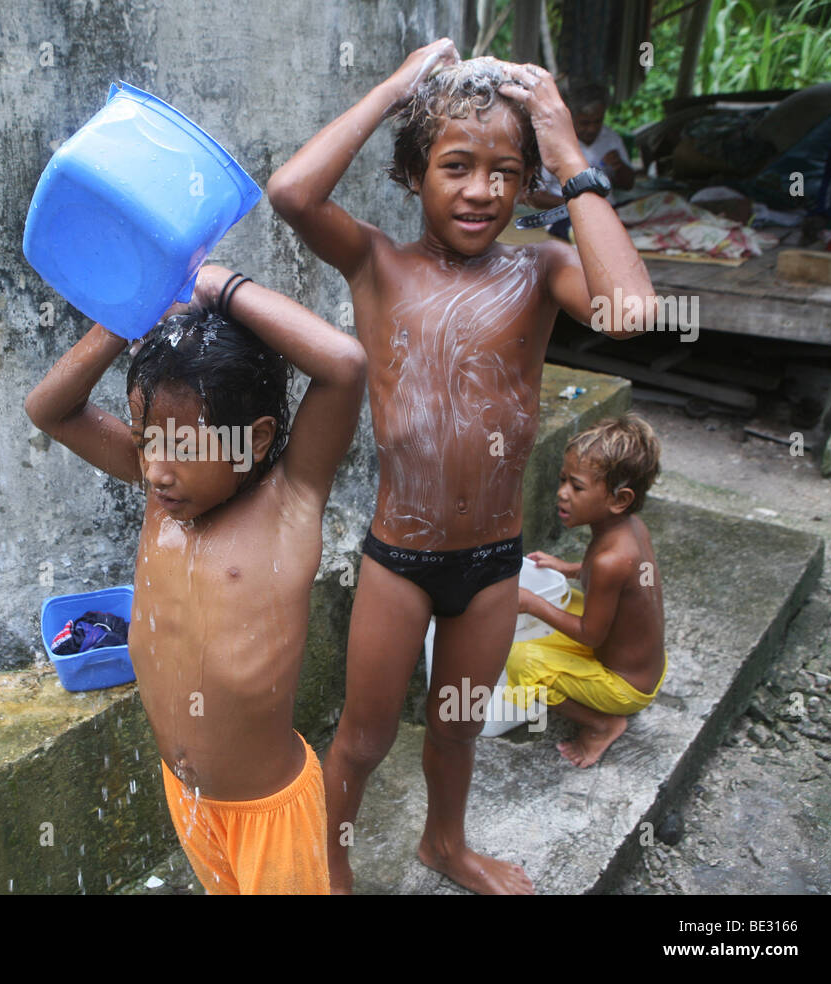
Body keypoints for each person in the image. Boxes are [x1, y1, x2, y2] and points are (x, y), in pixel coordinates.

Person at [267, 40, 658, 894]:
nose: (482, 190)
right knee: (364, 739)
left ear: (528, 180)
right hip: (399, 560)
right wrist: (398, 87)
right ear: (414, 172)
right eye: (455, 165)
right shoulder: (378, 263)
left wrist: (568, 151)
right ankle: (327, 867)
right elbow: (292, 192)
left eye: (506, 171)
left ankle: (444, 844)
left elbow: (630, 310)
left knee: (456, 727)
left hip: (489, 563)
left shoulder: (541, 268)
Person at [25, 264, 366, 894]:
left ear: (254, 441)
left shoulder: (289, 502)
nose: (155, 469)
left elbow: (344, 364)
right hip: (184, 791)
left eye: (182, 445)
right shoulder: (165, 491)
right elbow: (48, 408)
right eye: (143, 439)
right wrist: (129, 316)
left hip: (267, 811)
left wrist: (221, 286)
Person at [509, 414, 665, 768]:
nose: (562, 493)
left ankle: (602, 724)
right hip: (642, 662)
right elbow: (618, 580)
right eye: (563, 480)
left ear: (619, 499)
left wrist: (532, 604)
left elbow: (592, 635)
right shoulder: (631, 530)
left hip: (625, 688)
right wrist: (568, 568)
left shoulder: (612, 559)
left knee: (521, 663)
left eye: (577, 487)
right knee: (567, 595)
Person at [528, 79, 636, 215]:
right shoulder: (554, 142)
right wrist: (576, 205)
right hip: (569, 215)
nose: (592, 128)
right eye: (585, 123)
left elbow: (628, 185)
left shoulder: (611, 138)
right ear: (570, 117)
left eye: (598, 121)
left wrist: (619, 166)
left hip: (608, 210)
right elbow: (534, 196)